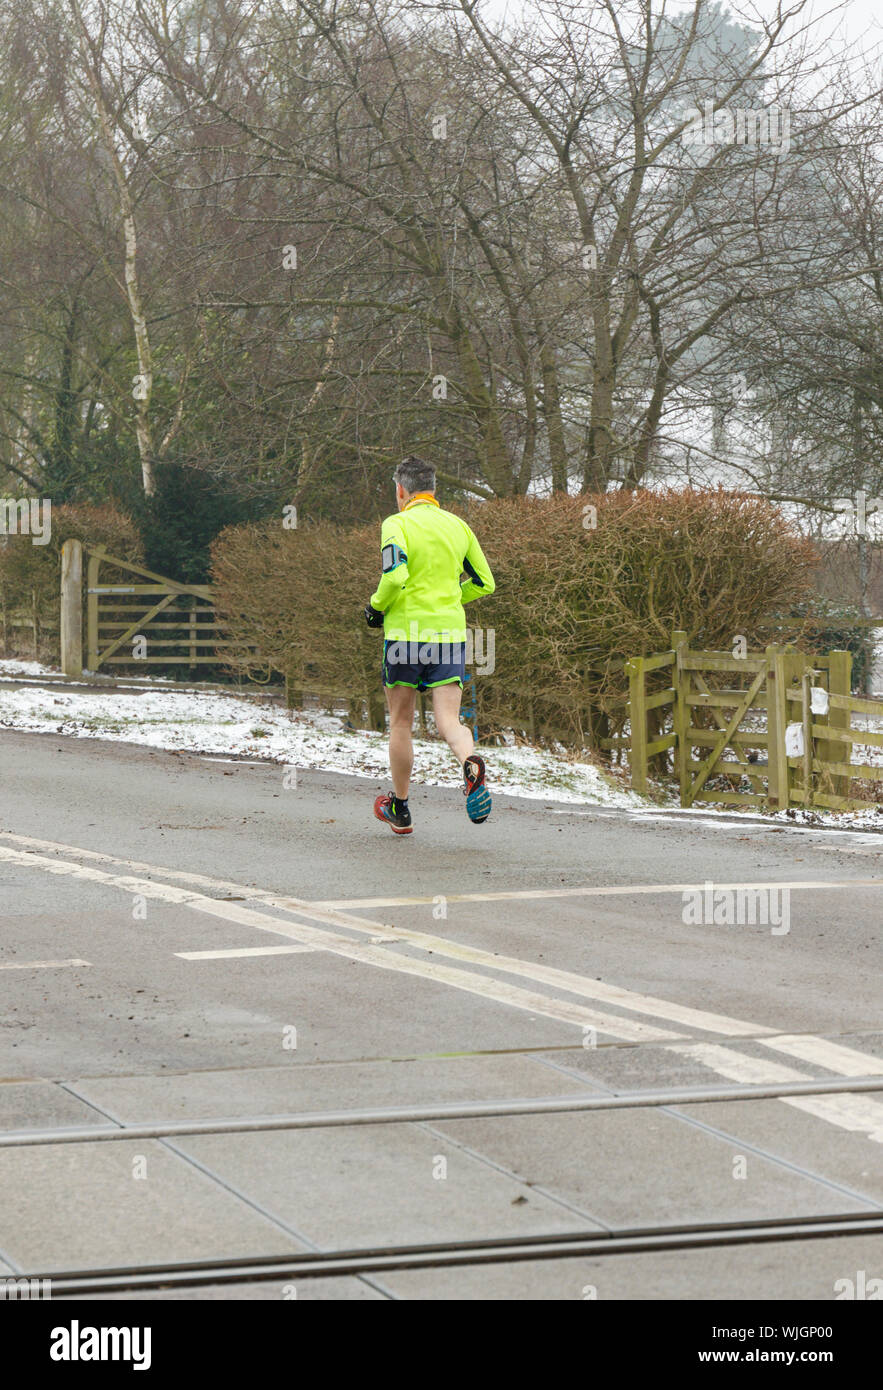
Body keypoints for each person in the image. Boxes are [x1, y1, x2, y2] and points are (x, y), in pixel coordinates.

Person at [364, 456, 496, 835]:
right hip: (449, 636)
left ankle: (400, 809)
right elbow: (485, 582)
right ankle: (470, 764)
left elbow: (394, 576)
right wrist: (451, 595)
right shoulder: (459, 526)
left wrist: (375, 608)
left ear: (400, 490)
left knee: (401, 722)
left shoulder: (397, 523)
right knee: (449, 721)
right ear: (434, 489)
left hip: (406, 634)